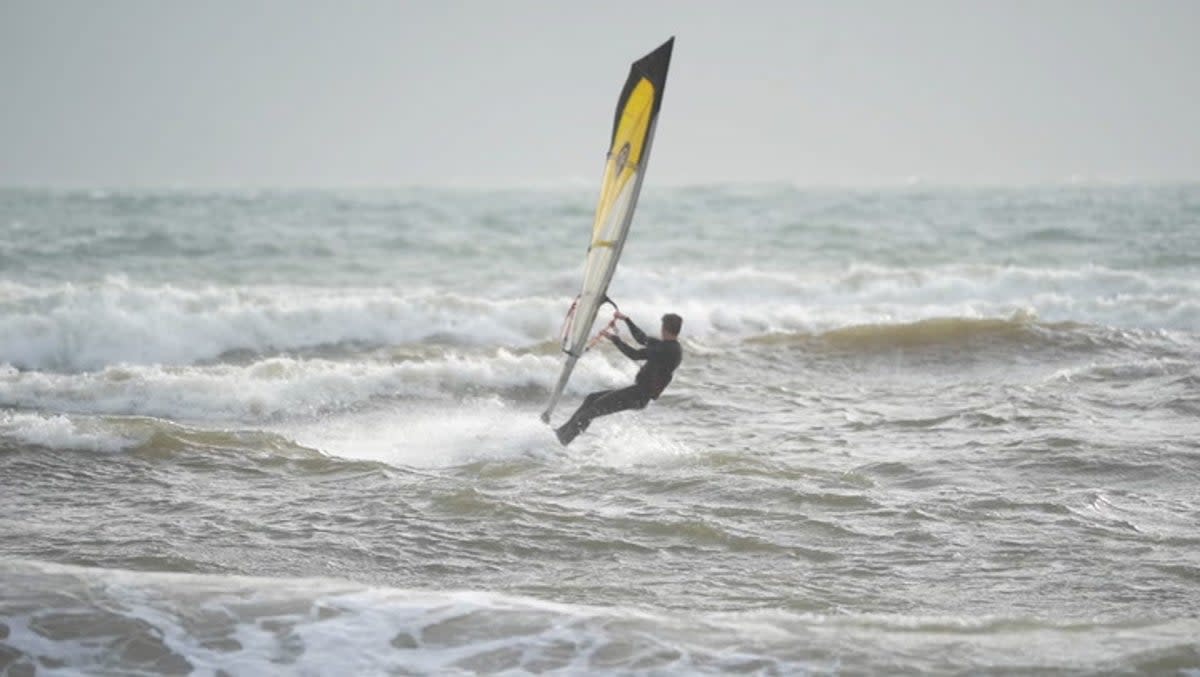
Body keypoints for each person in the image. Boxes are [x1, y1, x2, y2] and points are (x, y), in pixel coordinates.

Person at [555, 312, 683, 446]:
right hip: (637, 392)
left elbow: (635, 354)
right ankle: (561, 432)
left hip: (639, 395)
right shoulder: (668, 346)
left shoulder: (668, 350)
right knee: (591, 398)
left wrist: (616, 340)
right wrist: (627, 320)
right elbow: (642, 339)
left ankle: (564, 440)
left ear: (664, 328)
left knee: (590, 412)